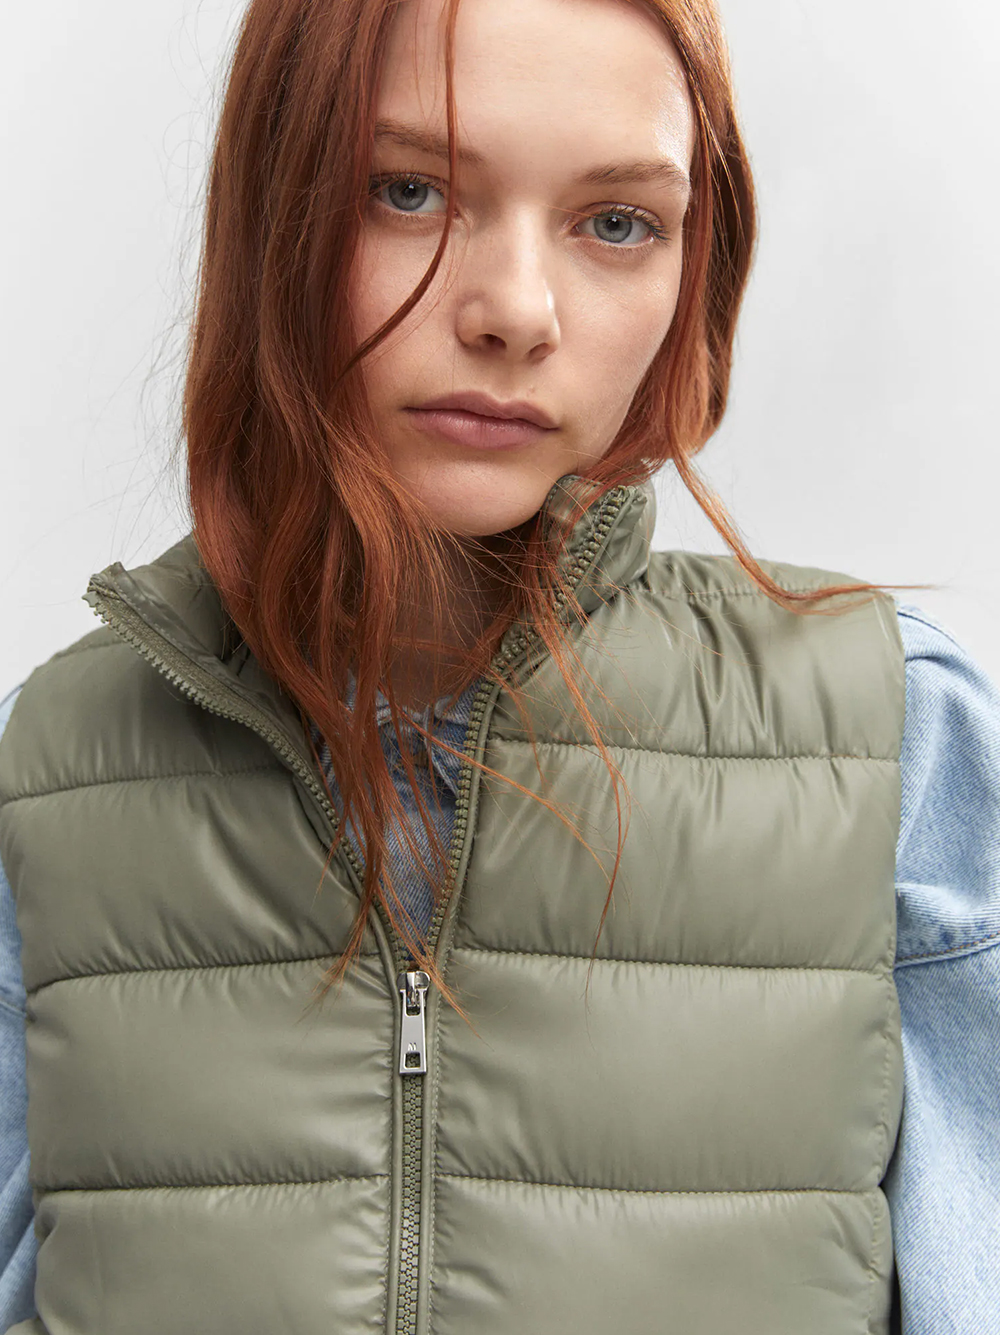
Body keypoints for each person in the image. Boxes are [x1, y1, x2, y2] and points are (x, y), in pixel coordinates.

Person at [0, 0, 997, 1330]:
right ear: (272, 208)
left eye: (618, 222)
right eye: (408, 192)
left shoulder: (892, 739)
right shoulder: (52, 767)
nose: (517, 311)